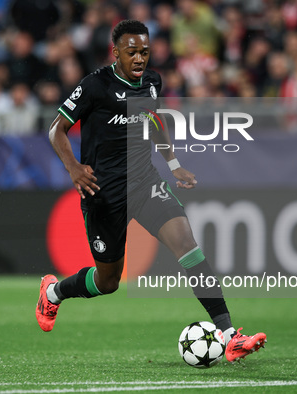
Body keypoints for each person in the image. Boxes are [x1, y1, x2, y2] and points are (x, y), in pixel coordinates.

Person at [37, 20, 266, 364]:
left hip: (145, 181)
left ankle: (231, 337)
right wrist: (72, 167)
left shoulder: (153, 82)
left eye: (145, 51)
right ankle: (53, 292)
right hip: (104, 192)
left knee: (188, 246)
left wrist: (173, 165)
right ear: (116, 52)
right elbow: (57, 128)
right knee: (109, 280)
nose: (140, 58)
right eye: (132, 52)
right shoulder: (95, 86)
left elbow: (154, 121)